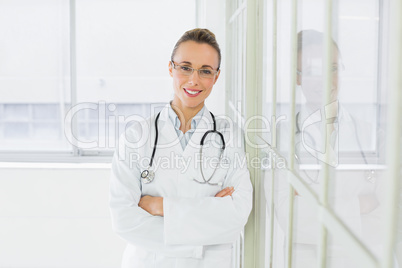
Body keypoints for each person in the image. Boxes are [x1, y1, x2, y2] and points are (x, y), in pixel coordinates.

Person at [109, 28, 253, 268]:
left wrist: (159, 206)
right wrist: (204, 227)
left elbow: (237, 215)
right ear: (170, 68)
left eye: (205, 71)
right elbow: (123, 219)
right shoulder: (136, 137)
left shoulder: (230, 137)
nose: (194, 80)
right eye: (185, 67)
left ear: (216, 77)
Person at [270, 29, 392, 267]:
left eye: (333, 69)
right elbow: (290, 217)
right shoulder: (281, 139)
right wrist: (360, 205)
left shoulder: (373, 136)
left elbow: (392, 213)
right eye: (314, 71)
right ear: (297, 77)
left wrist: (311, 207)